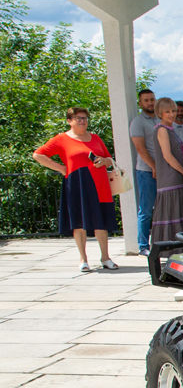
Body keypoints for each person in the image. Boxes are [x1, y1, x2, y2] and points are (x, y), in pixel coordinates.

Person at [32, 107, 118, 272]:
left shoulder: (95, 138)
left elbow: (109, 158)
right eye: (78, 118)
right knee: (79, 222)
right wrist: (61, 168)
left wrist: (104, 161)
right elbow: (38, 155)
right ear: (69, 121)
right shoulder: (61, 139)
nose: (82, 121)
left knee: (101, 222)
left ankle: (105, 257)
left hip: (99, 183)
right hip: (77, 183)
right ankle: (83, 259)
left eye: (84, 118)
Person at [151, 97, 183, 244]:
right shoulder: (162, 130)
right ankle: (169, 246)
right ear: (160, 113)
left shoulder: (171, 129)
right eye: (167, 111)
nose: (171, 114)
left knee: (178, 212)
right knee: (170, 213)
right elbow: (167, 156)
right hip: (169, 179)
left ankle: (181, 245)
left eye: (173, 111)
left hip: (176, 177)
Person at [129, 88, 159, 255]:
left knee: (161, 209)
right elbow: (140, 148)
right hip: (146, 171)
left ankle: (159, 242)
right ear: (140, 103)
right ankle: (143, 245)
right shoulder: (138, 122)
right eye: (146, 100)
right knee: (146, 209)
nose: (150, 103)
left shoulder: (160, 119)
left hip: (163, 172)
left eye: (152, 99)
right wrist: (154, 166)